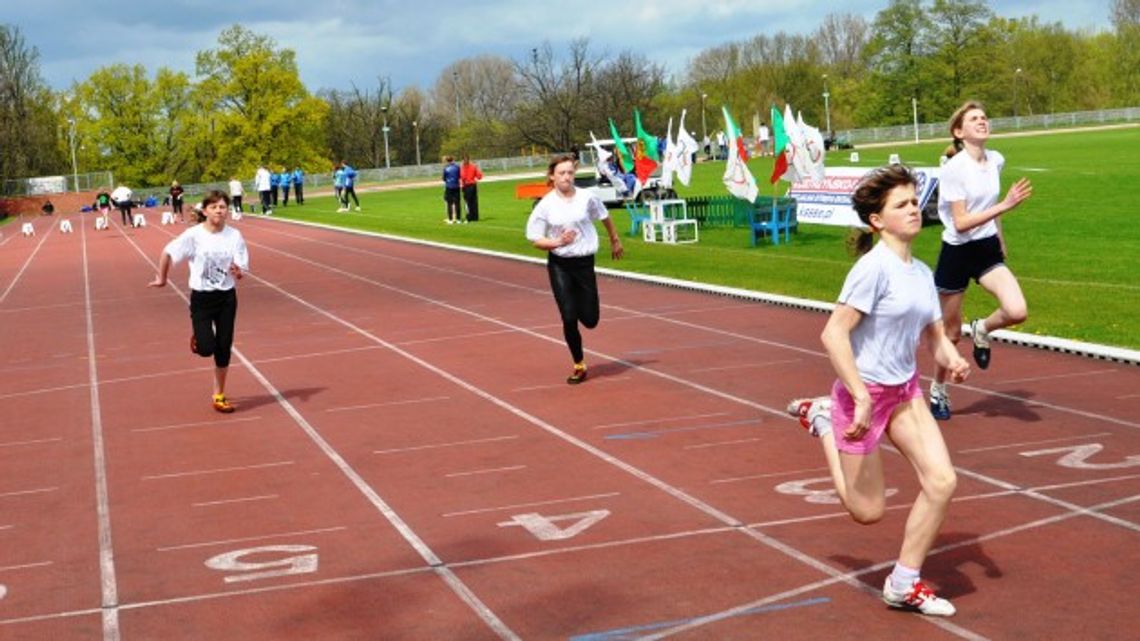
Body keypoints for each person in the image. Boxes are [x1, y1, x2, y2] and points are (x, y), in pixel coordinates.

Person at [786, 165, 970, 617]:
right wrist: (861, 396)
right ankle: (826, 420)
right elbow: (833, 334)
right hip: (861, 397)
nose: (913, 210)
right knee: (866, 512)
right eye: (901, 205)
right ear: (876, 220)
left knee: (942, 481)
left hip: (904, 393)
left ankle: (904, 583)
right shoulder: (873, 270)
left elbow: (934, 336)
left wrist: (951, 358)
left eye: (914, 202)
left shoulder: (922, 272)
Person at [928, 101, 1033, 420]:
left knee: (1017, 311)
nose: (982, 121)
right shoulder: (953, 170)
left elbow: (987, 206)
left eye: (985, 117)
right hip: (957, 252)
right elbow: (960, 222)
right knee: (952, 334)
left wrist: (999, 234)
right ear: (959, 132)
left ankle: (983, 329)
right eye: (974, 119)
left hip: (985, 247)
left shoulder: (996, 160)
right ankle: (938, 390)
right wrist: (1005, 206)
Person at [525, 153, 624, 384]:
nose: (566, 177)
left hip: (584, 263)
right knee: (568, 317)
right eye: (561, 173)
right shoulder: (545, 205)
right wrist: (558, 242)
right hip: (560, 264)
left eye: (570, 172)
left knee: (590, 320)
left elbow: (604, 216)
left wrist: (615, 239)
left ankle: (579, 302)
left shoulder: (587, 198)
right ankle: (579, 364)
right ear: (552, 176)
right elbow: (535, 239)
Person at [148, 190, 249, 414]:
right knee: (206, 349)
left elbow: (242, 266)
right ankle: (199, 336)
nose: (219, 211)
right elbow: (167, 252)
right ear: (205, 211)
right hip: (202, 298)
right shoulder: (193, 235)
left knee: (223, 349)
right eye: (214, 207)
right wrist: (162, 278)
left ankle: (219, 395)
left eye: (222, 207)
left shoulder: (235, 236)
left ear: (227, 211)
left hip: (226, 298)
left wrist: (238, 270)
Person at [460, 154, 483, 222]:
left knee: (467, 202)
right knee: (474, 201)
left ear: (463, 160)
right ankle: (475, 217)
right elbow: (479, 176)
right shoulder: (473, 166)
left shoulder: (463, 167)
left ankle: (469, 217)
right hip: (473, 185)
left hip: (467, 185)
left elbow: (463, 176)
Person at [442, 156, 462, 224]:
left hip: (449, 187)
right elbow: (459, 176)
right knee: (457, 203)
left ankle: (450, 219)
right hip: (456, 186)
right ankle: (458, 219)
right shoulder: (457, 167)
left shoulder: (446, 168)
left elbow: (444, 178)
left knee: (449, 203)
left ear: (447, 161)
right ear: (453, 160)